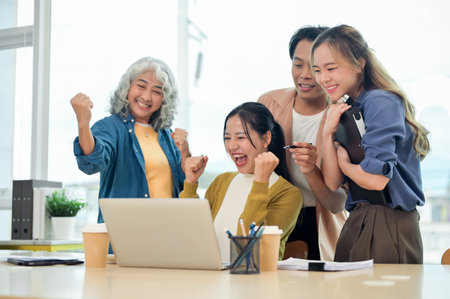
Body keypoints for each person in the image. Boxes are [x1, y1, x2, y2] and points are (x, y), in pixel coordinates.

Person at [311, 24, 430, 263]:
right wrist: (327, 132)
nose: (323, 78)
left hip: (388, 221)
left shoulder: (380, 101)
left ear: (359, 62)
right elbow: (333, 182)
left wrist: (345, 165)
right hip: (358, 220)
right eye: (318, 70)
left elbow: (376, 180)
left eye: (331, 68)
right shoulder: (347, 107)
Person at [258, 26, 348, 261]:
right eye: (298, 65)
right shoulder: (268, 103)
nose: (305, 74)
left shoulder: (344, 116)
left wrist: (311, 171)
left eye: (314, 67)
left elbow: (337, 203)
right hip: (276, 217)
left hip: (321, 224)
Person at [71, 56, 190, 226]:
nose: (147, 97)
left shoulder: (166, 135)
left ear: (165, 99)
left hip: (167, 234)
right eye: (141, 86)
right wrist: (83, 123)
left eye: (157, 91)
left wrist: (185, 152)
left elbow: (184, 187)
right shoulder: (111, 127)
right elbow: (92, 163)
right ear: (127, 87)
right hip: (126, 235)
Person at [180, 102, 302, 261]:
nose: (231, 146)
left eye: (241, 137)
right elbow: (189, 236)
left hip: (255, 283)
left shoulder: (288, 194)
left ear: (266, 139)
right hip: (211, 280)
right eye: (227, 138)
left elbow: (248, 249)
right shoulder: (221, 181)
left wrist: (260, 182)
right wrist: (190, 184)